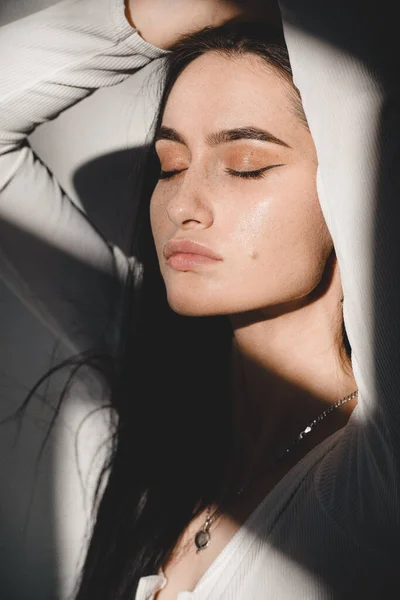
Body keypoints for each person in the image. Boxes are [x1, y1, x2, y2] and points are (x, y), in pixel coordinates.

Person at [0, 1, 399, 599]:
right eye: (170, 163)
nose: (184, 203)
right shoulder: (162, 387)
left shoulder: (378, 466)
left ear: (342, 186)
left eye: (245, 165)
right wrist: (141, 16)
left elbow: (358, 89)